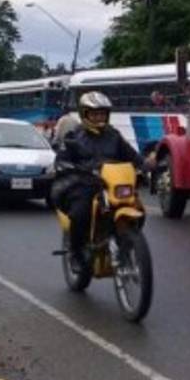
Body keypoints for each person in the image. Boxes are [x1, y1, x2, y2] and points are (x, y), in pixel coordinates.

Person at [51, 92, 152, 268]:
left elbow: (132, 156)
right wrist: (68, 166)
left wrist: (145, 165)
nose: (99, 117)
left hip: (113, 184)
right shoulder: (74, 136)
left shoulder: (114, 135)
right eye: (95, 113)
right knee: (81, 212)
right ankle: (76, 252)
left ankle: (127, 240)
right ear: (85, 114)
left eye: (102, 113)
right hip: (84, 183)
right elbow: (62, 158)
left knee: (138, 207)